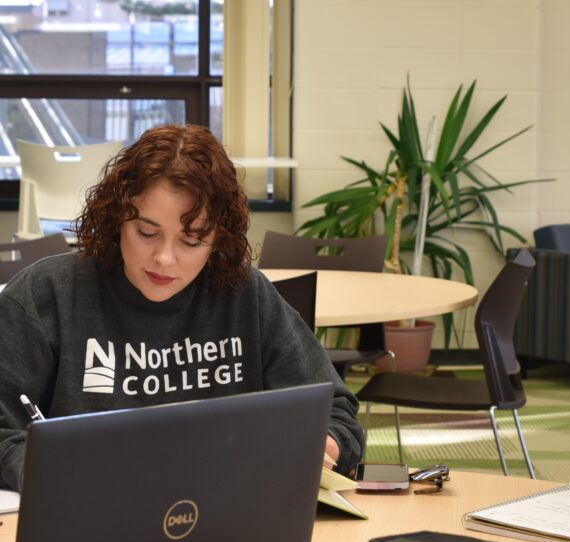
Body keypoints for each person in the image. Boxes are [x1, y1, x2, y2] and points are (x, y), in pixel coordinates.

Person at [0, 124, 365, 491]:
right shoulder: (47, 295)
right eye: (146, 233)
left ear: (218, 238)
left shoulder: (244, 295)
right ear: (116, 218)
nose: (164, 258)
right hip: (85, 523)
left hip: (225, 523)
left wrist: (321, 445)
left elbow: (335, 413)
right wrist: (53, 473)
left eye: (192, 240)